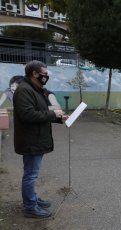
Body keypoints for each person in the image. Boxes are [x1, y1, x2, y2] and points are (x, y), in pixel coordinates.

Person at [13, 60, 67, 218]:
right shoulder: (24, 90)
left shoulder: (36, 89)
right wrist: (53, 114)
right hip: (30, 140)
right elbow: (27, 114)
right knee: (30, 174)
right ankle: (30, 207)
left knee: (32, 173)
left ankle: (33, 199)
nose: (46, 76)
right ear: (34, 74)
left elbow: (41, 111)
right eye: (44, 74)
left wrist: (59, 118)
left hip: (36, 138)